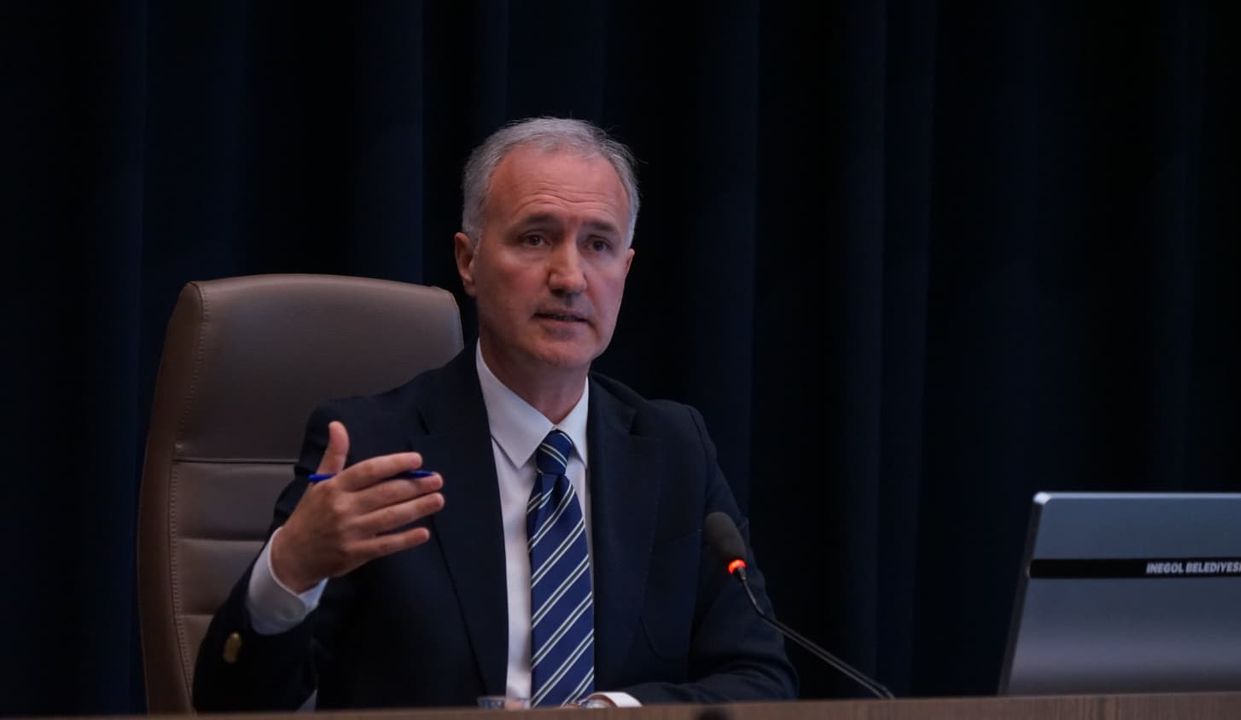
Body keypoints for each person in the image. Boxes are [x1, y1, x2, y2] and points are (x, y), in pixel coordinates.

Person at [192, 117, 796, 710]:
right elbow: (232, 705)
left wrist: (610, 713)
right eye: (535, 238)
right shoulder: (375, 448)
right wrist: (290, 569)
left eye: (598, 245)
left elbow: (762, 680)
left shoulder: (674, 450)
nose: (570, 277)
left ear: (626, 270)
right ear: (468, 261)